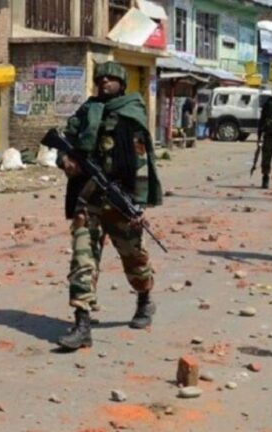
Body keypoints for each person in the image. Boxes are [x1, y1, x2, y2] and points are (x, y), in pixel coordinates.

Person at [55, 61, 163, 351]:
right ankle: (82, 324)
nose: (104, 82)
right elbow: (64, 143)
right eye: (100, 78)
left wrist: (138, 205)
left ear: (121, 84)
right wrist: (65, 161)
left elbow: (141, 163)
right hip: (87, 199)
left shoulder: (131, 113)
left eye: (110, 79)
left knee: (134, 258)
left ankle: (144, 299)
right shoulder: (86, 111)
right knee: (82, 259)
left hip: (120, 197)